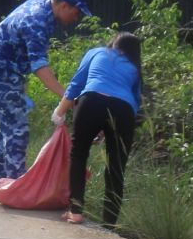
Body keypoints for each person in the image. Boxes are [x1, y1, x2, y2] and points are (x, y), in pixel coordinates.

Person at [0, 0, 92, 183]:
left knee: (9, 124)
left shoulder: (40, 6)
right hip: (1, 71)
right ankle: (15, 185)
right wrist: (68, 97)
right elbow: (39, 67)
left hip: (7, 70)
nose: (77, 18)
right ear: (64, 5)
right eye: (76, 12)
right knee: (17, 129)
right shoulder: (36, 21)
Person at [52, 32, 144, 227]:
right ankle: (109, 223)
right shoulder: (134, 67)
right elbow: (135, 102)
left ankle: (75, 211)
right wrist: (109, 127)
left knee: (78, 155)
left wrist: (60, 111)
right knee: (116, 167)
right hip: (123, 111)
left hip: (91, 103)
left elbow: (76, 84)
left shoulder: (97, 52)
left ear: (113, 43)